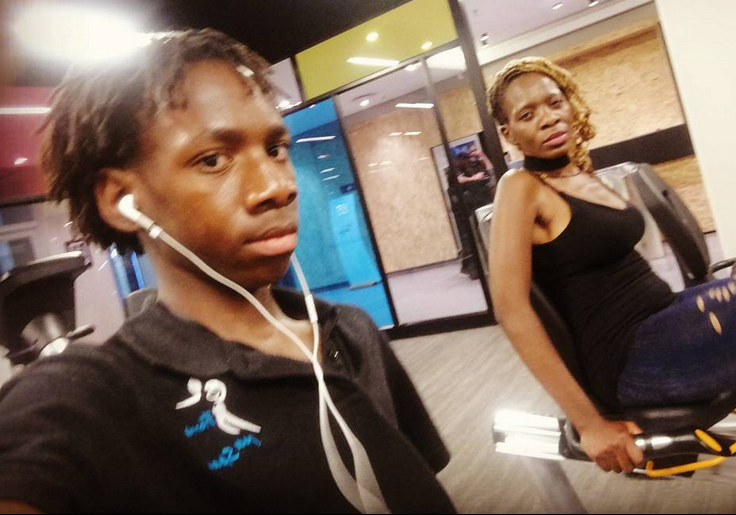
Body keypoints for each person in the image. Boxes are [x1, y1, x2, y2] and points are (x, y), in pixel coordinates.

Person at [0, 29, 456, 514]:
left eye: (275, 148)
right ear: (121, 199)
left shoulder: (353, 330)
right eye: (214, 160)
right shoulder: (91, 398)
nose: (277, 186)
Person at [486, 56, 736, 475]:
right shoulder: (520, 186)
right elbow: (510, 308)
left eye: (554, 103)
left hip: (667, 317)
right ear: (508, 134)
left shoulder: (579, 172)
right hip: (636, 357)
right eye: (527, 114)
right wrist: (589, 424)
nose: (548, 118)